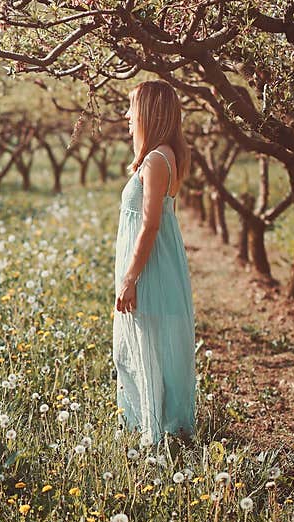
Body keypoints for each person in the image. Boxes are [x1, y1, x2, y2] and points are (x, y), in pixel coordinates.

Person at [113, 79, 196, 446]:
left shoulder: (157, 159)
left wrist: (130, 278)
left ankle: (157, 432)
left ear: (150, 113)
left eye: (133, 108)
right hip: (152, 263)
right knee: (145, 343)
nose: (128, 116)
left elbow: (150, 223)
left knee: (147, 342)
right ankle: (155, 426)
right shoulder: (158, 156)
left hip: (150, 267)